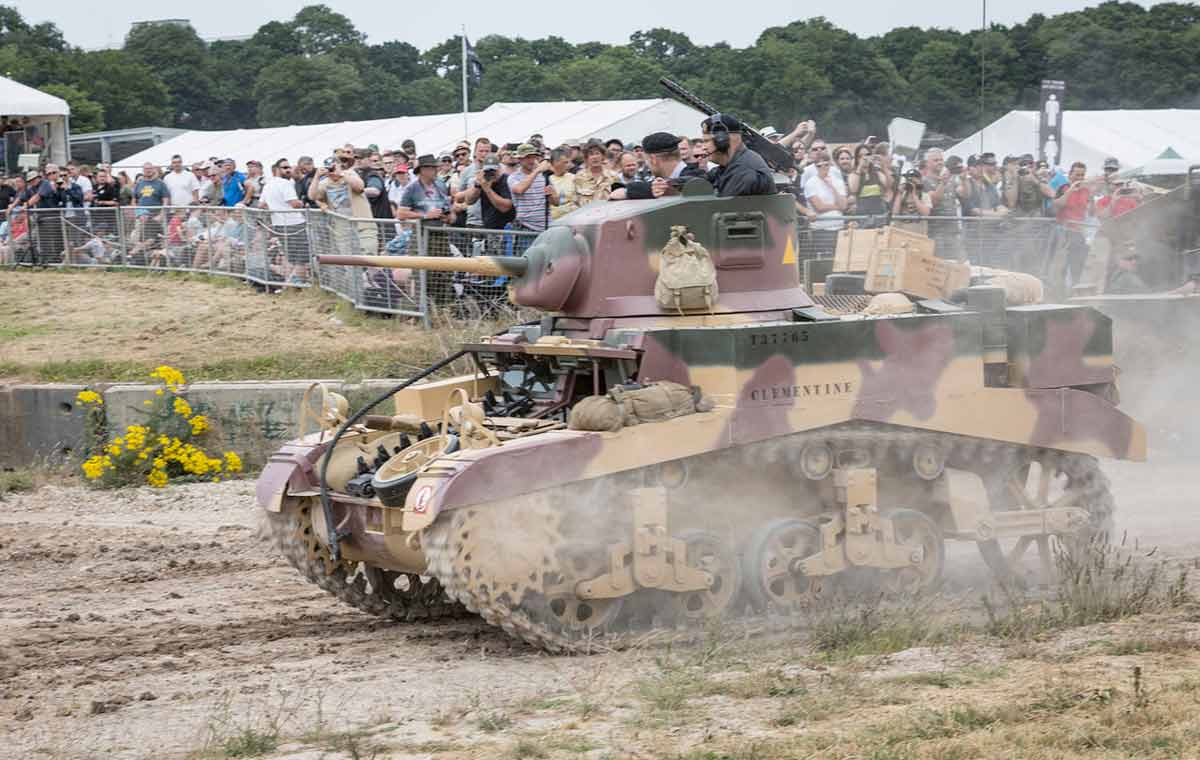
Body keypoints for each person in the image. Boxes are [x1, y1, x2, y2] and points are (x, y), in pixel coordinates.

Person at [611, 131, 706, 200]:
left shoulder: (697, 176)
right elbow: (616, 193)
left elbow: (694, 182)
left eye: (647, 160)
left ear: (653, 159)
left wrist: (655, 188)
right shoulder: (658, 180)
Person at [1047, 161, 1094, 296]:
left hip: (1079, 233)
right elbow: (1055, 206)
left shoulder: (1085, 190)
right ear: (1070, 174)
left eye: (1082, 175)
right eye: (1076, 174)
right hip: (1063, 232)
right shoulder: (1064, 187)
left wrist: (1091, 197)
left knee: (1078, 266)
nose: (1079, 178)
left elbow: (1091, 213)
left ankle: (1074, 295)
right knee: (1059, 267)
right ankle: (1056, 295)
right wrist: (1070, 190)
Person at [700, 114, 775, 197]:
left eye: (706, 141)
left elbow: (721, 207)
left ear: (722, 141)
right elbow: (704, 179)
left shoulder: (744, 172)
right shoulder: (730, 166)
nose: (703, 147)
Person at [261, 158, 308, 282]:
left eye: (289, 167)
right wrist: (303, 203)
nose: (288, 170)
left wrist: (275, 207)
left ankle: (289, 285)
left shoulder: (268, 185)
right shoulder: (285, 183)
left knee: (290, 258)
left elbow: (261, 205)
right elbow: (294, 203)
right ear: (276, 170)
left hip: (279, 225)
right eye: (285, 168)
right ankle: (297, 286)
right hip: (295, 224)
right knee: (301, 259)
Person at [507, 144, 558, 237]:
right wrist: (537, 171)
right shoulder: (513, 177)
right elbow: (519, 189)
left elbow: (556, 202)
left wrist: (552, 195)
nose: (531, 160)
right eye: (527, 157)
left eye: (533, 157)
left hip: (547, 228)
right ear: (519, 159)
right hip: (526, 229)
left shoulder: (544, 175)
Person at [803, 157, 847, 254]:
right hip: (821, 229)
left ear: (830, 165)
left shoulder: (838, 181)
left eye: (826, 165)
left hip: (839, 227)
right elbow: (819, 207)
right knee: (824, 261)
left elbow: (844, 205)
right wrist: (837, 206)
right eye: (819, 166)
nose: (823, 167)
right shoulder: (811, 183)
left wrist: (831, 186)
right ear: (815, 167)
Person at [574, 139, 619, 207]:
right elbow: (575, 202)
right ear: (586, 158)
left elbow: (618, 199)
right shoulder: (579, 177)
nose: (595, 157)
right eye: (591, 154)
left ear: (603, 156)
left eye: (597, 153)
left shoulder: (613, 176)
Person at [891, 167, 932, 235]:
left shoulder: (924, 195)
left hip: (918, 232)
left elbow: (926, 213)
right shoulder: (902, 195)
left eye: (913, 180)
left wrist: (914, 195)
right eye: (908, 179)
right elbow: (895, 213)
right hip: (902, 231)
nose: (910, 183)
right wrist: (899, 194)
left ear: (919, 180)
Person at [546, 148, 578, 218]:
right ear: (555, 163)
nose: (568, 165)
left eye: (568, 162)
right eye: (565, 162)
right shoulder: (547, 180)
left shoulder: (574, 178)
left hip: (572, 219)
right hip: (554, 221)